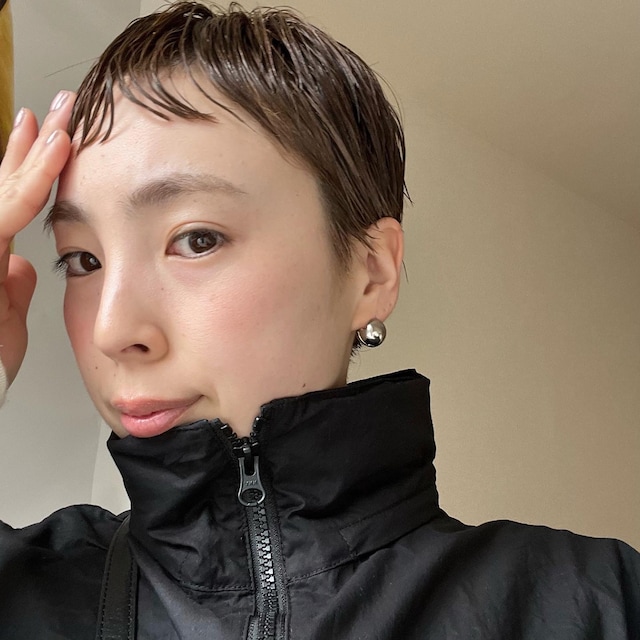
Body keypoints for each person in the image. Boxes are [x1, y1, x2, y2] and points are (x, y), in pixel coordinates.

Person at [0, 2, 638, 638]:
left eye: (196, 239)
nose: (111, 332)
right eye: (82, 260)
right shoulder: (17, 590)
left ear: (371, 272)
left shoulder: (600, 602)